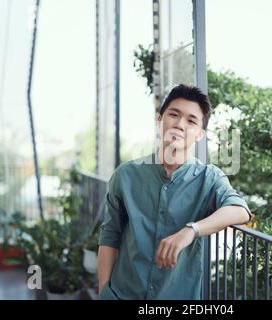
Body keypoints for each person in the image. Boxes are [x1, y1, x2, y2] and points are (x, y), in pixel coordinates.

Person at [97, 84, 252, 300]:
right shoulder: (125, 175)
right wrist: (104, 292)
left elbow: (240, 210)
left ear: (200, 134)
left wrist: (191, 231)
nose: (180, 124)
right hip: (123, 294)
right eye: (174, 115)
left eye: (191, 121)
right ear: (160, 121)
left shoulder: (209, 178)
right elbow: (110, 235)